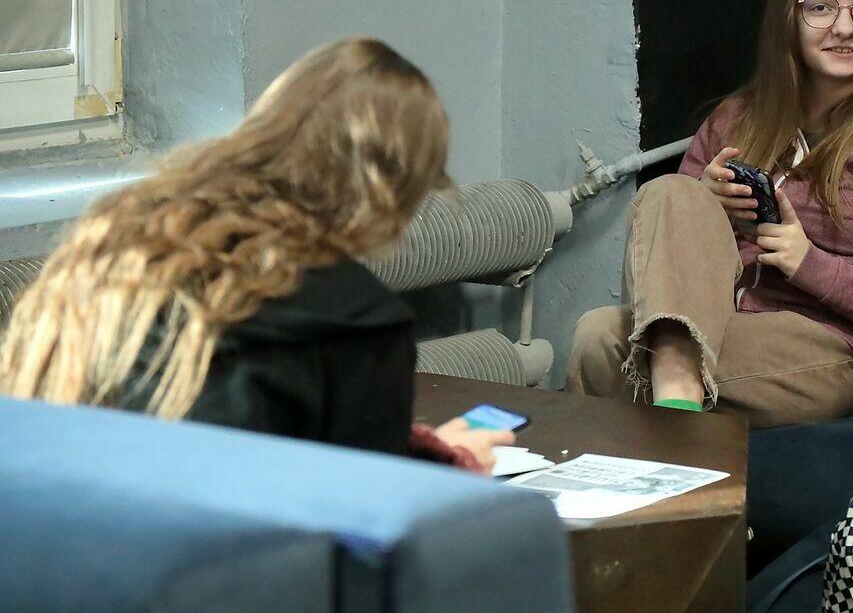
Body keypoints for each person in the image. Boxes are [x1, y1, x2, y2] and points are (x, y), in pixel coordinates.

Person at [0, 37, 513, 474]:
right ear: (394, 186)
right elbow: (365, 519)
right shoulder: (356, 319)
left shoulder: (121, 233)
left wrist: (421, 452)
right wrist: (452, 472)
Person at [566, 0, 853, 428]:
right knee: (601, 322)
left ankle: (672, 416)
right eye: (821, 8)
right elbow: (666, 255)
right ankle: (676, 413)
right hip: (718, 318)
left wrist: (808, 262)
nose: (845, 27)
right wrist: (709, 210)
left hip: (828, 341)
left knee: (610, 349)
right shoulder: (738, 117)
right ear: (788, 18)